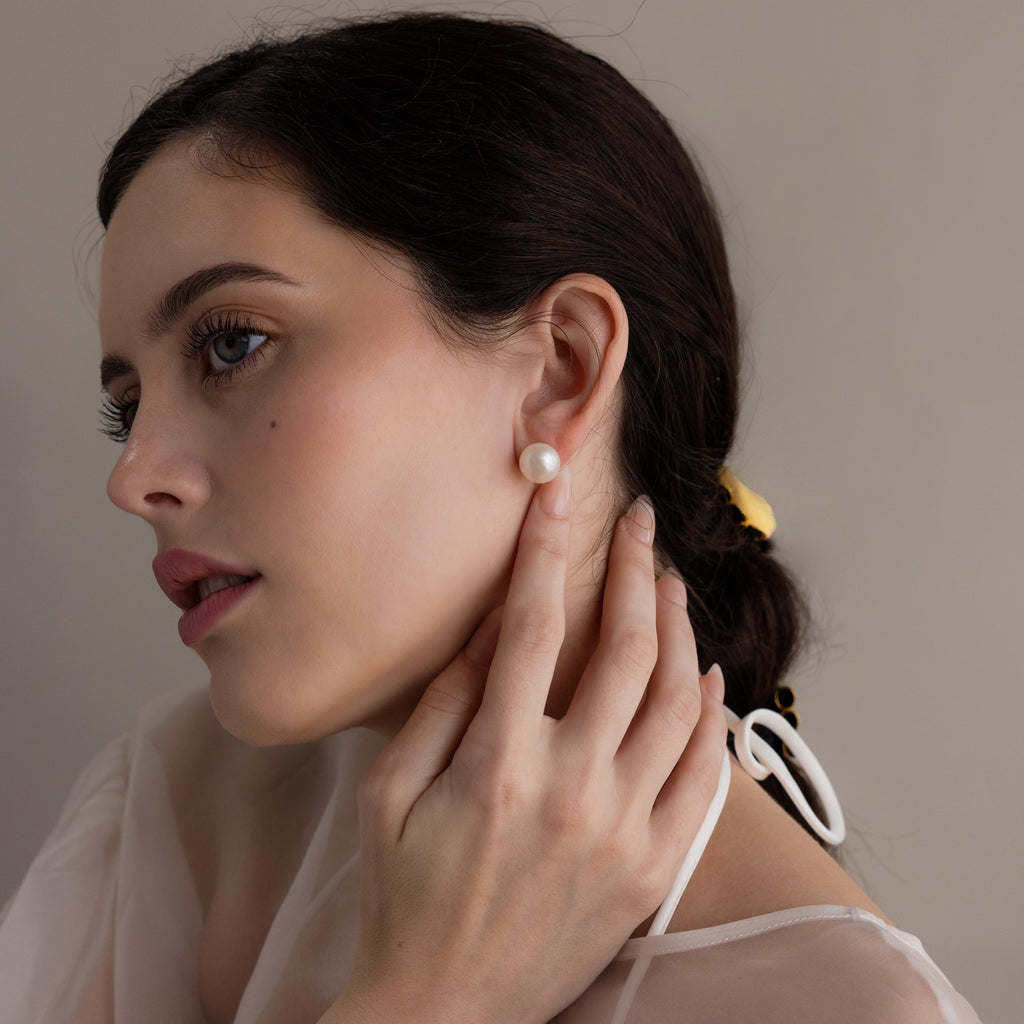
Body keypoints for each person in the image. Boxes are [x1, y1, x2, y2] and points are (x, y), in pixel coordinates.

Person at [0, 11, 982, 1023]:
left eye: (232, 344)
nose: (133, 476)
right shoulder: (178, 813)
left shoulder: (844, 1010)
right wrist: (427, 998)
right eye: (128, 405)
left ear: (561, 368)